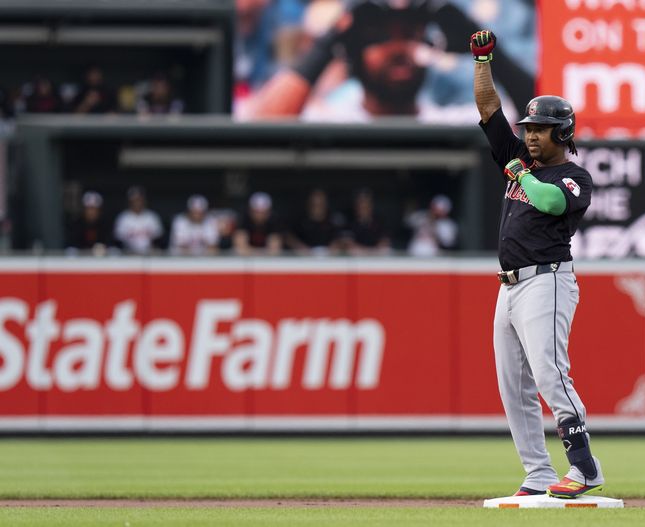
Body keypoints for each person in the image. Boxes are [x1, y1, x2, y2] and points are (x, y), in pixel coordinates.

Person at [471, 30, 604, 499]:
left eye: (539, 129)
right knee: (513, 385)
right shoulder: (518, 159)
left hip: (547, 281)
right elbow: (488, 110)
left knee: (549, 373)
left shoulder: (574, 175)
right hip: (508, 286)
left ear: (562, 134)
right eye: (527, 127)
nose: (529, 134)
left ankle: (584, 467)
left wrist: (520, 171)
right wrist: (483, 62)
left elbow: (548, 202)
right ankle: (538, 474)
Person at [238, 0, 535, 123]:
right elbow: (261, 132)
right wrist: (330, 42)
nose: (398, 48)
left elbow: (545, 126)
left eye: (409, 34)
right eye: (380, 37)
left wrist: (484, 46)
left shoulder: (460, 124)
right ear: (353, 47)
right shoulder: (330, 121)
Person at [287, 189, 343, 255]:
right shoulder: (300, 220)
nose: (317, 207)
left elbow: (344, 237)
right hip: (305, 258)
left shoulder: (334, 219)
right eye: (314, 204)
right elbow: (288, 236)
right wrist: (299, 247)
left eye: (320, 204)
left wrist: (337, 244)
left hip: (331, 258)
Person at [114, 186, 164, 255]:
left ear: (144, 200)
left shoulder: (152, 217)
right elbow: (118, 241)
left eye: (139, 200)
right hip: (127, 254)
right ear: (130, 201)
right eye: (134, 200)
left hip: (149, 254)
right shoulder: (123, 218)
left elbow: (159, 238)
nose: (137, 203)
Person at [341, 189, 391, 255]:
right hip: (354, 262)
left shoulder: (380, 223)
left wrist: (366, 251)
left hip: (376, 261)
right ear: (356, 206)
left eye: (366, 202)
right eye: (360, 203)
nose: (363, 206)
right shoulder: (348, 223)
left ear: (371, 205)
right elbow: (348, 245)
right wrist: (371, 251)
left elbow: (384, 244)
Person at [66, 191, 114, 255]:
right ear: (84, 209)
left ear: (99, 210)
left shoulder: (106, 224)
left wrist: (104, 247)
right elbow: (72, 245)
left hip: (102, 260)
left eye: (94, 209)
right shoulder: (76, 224)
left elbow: (111, 244)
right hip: (81, 260)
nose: (91, 212)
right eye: (88, 208)